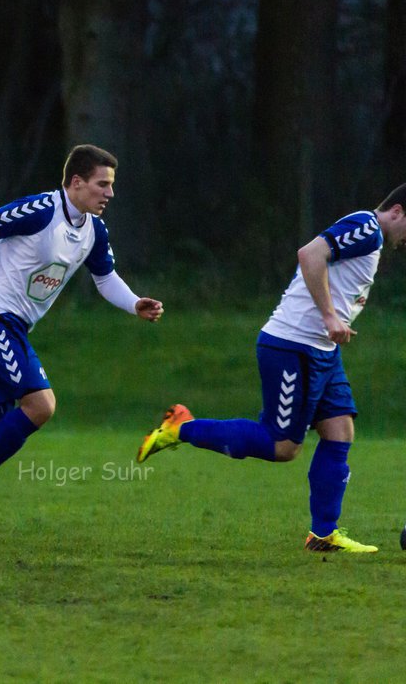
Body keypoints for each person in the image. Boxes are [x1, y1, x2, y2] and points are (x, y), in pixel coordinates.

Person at [0, 144, 162, 540]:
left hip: (13, 326)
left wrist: (134, 303)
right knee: (40, 404)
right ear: (76, 183)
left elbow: (106, 279)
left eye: (111, 185)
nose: (109, 193)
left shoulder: (93, 229)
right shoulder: (40, 210)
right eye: (102, 184)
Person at [137, 185, 406, 554]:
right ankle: (181, 428)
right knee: (282, 447)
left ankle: (323, 534)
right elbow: (310, 254)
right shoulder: (367, 227)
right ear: (398, 211)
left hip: (322, 350)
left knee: (340, 431)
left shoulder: (371, 240)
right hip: (292, 347)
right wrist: (329, 316)